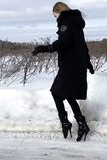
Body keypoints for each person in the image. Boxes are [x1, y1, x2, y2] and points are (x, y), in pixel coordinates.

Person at [32, 2, 94, 141]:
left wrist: (46, 48)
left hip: (70, 65)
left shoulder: (66, 22)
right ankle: (81, 124)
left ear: (58, 11)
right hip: (76, 64)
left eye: (54, 14)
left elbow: (64, 42)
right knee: (68, 94)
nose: (54, 17)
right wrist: (87, 62)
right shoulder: (75, 22)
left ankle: (65, 122)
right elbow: (82, 44)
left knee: (56, 91)